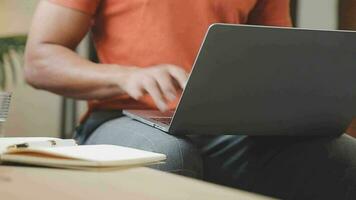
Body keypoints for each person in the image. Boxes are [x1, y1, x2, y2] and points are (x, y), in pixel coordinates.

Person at [25, 0, 356, 199]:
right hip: (122, 120)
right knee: (166, 156)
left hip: (227, 132)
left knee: (343, 154)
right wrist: (125, 76)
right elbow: (39, 60)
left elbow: (276, 59)